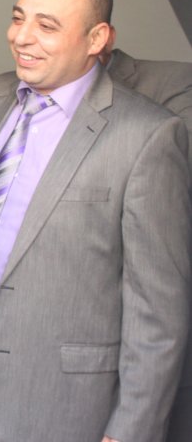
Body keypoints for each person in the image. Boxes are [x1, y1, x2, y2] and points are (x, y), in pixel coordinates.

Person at [0, 0, 191, 442]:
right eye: (18, 18)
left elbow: (158, 312)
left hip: (67, 398)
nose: (21, 37)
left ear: (97, 38)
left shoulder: (148, 135)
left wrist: (132, 430)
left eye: (47, 25)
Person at [98, 36, 192, 442]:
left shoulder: (175, 84)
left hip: (142, 323)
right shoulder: (9, 94)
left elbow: (172, 183)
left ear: (99, 35)